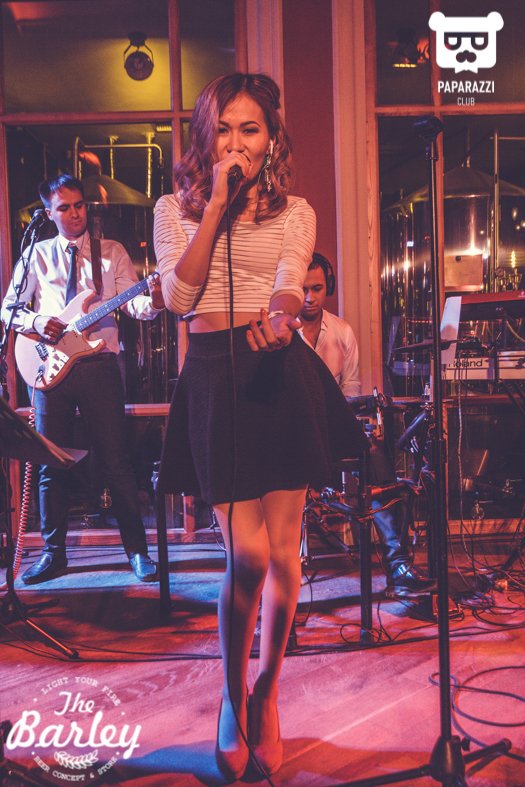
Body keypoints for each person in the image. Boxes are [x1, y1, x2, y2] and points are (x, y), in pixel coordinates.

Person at [153, 73, 367, 780]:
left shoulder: (295, 211)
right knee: (243, 554)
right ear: (204, 137)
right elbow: (178, 297)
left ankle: (266, 692)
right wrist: (216, 205)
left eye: (250, 129)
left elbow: (286, 279)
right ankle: (229, 691)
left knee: (283, 554)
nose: (236, 142)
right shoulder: (172, 210)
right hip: (214, 375)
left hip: (277, 370)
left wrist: (281, 317)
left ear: (270, 139)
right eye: (224, 128)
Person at [1, 174, 163, 585]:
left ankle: (138, 552)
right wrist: (39, 322)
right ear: (48, 213)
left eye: (79, 205)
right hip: (48, 366)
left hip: (99, 365)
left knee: (116, 461)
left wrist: (156, 299)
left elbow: (136, 304)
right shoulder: (36, 254)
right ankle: (53, 554)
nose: (74, 214)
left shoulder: (111, 252)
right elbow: (9, 310)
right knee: (49, 464)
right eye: (64, 208)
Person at [299, 252, 435, 597]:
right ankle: (280, 572)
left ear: (328, 287)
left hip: (332, 431)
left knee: (376, 457)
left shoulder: (342, 332)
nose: (309, 297)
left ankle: (398, 564)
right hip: (294, 436)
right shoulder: (281, 334)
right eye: (302, 289)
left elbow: (351, 392)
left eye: (316, 288)